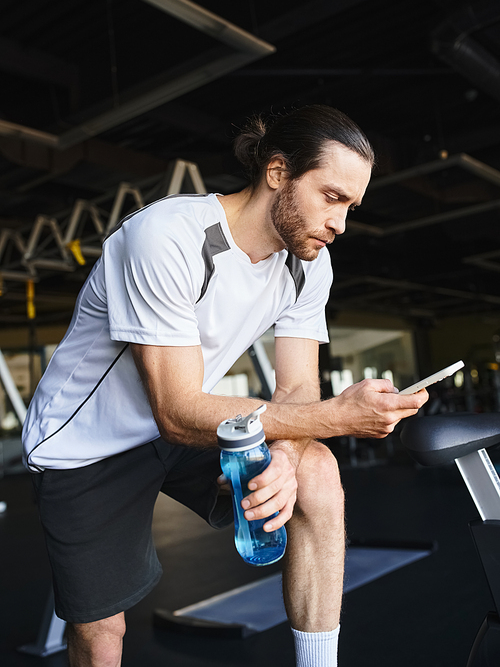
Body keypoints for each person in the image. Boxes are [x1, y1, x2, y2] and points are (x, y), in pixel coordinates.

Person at [22, 104, 428, 667]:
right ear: (278, 172)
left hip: (190, 418)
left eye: (351, 207)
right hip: (88, 444)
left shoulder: (311, 265)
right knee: (102, 631)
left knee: (315, 471)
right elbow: (177, 410)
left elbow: (296, 391)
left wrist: (288, 455)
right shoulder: (168, 236)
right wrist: (338, 418)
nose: (341, 223)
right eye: (332, 197)